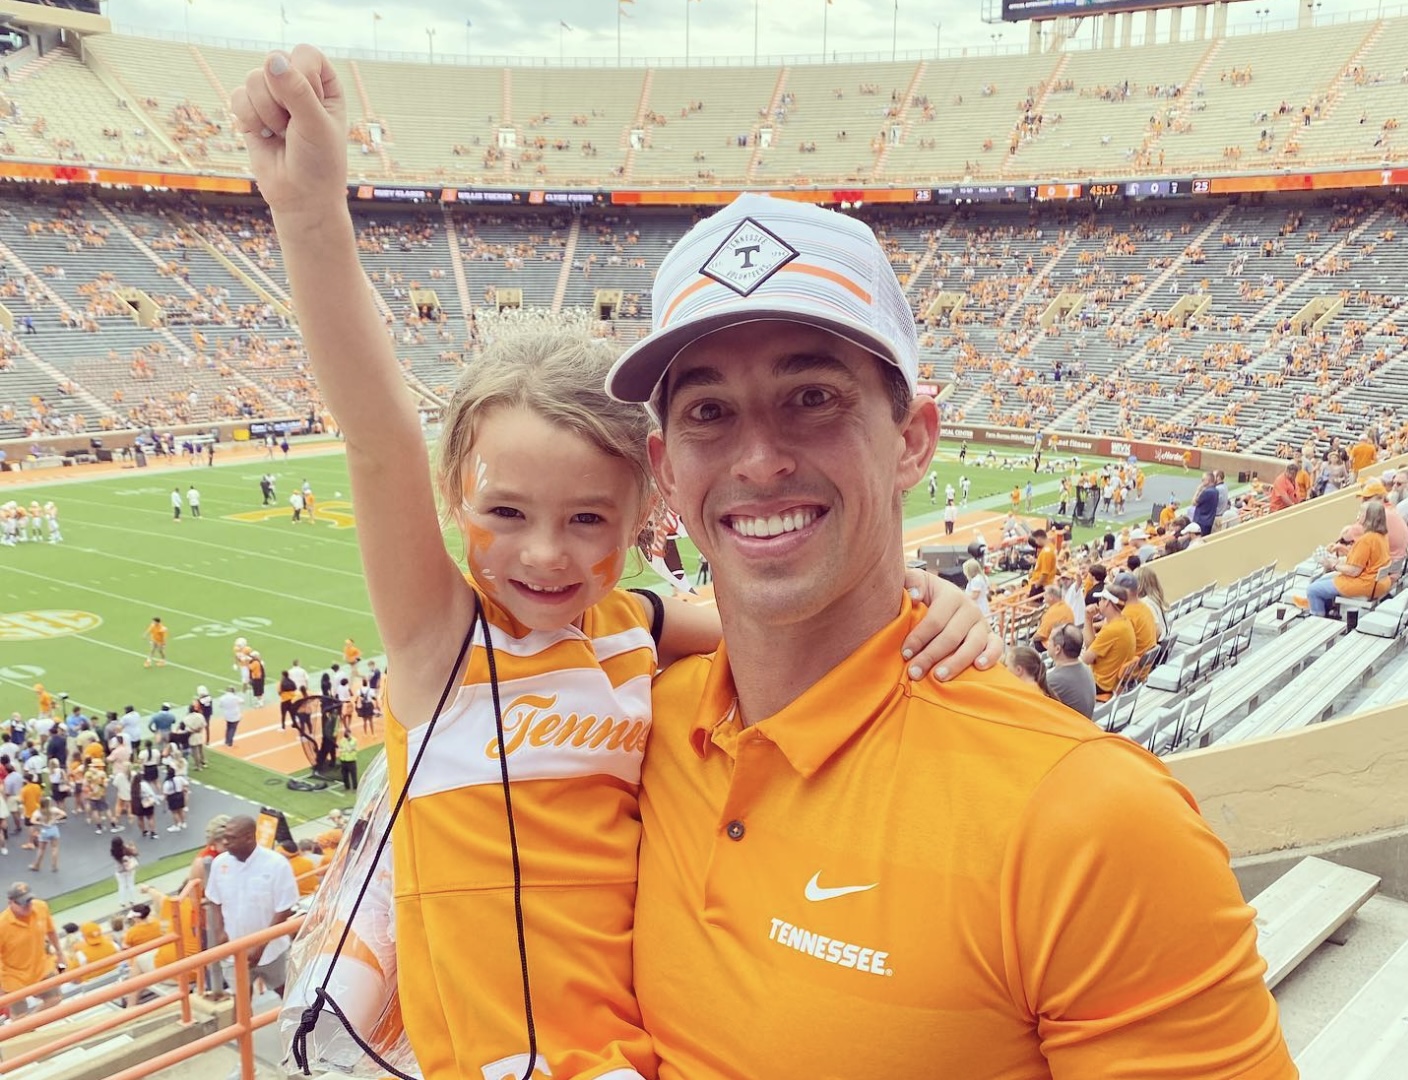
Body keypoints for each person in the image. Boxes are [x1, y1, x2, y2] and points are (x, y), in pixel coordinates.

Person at [239, 49, 998, 1080]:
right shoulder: (444, 640)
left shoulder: (633, 628)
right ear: (454, 495)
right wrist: (309, 214)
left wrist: (935, 605)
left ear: (652, 506)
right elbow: (376, 435)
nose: (545, 555)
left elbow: (807, 623)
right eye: (505, 511)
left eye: (588, 519)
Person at [613, 191, 1293, 1076]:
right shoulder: (625, 731)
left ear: (912, 440)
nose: (758, 459)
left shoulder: (1093, 823)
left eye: (812, 396)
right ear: (666, 468)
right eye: (708, 412)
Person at [206, 816, 299, 996]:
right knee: (241, 1004)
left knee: (286, 994)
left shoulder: (276, 864)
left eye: (231, 838)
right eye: (225, 836)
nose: (225, 842)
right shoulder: (220, 863)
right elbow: (214, 900)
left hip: (272, 951)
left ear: (248, 837)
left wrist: (261, 947)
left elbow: (284, 909)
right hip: (234, 953)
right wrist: (219, 931)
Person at [1307, 499, 1392, 617]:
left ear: (1367, 517)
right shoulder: (1382, 536)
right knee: (1321, 582)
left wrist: (1333, 565)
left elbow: (1354, 571)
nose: (1358, 516)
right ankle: (1329, 613)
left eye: (1361, 513)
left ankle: (1317, 620)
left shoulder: (1366, 540)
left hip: (1366, 584)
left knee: (1313, 590)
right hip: (1380, 583)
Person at [0, 882, 65, 1015]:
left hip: (40, 967)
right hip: (14, 976)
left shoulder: (41, 907)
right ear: (11, 903)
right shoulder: (2, 925)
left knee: (55, 998)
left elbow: (51, 931)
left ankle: (32, 1023)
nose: (28, 905)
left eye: (29, 901)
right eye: (23, 903)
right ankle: (24, 1027)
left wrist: (60, 953)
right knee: (19, 1017)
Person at [1082, 582, 1139, 699]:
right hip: (1113, 683)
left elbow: (1085, 660)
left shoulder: (1112, 630)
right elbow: (1092, 646)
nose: (1098, 602)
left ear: (1107, 602)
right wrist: (1088, 619)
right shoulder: (1123, 622)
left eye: (1101, 599)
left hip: (1101, 684)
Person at [1045, 623, 1098, 719]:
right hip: (1084, 726)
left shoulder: (1053, 680)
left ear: (1057, 649)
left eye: (1049, 640)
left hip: (1069, 731)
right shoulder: (1086, 669)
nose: (1047, 644)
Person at [1032, 583, 1073, 653]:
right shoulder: (1066, 606)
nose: (1044, 596)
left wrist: (1031, 639)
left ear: (1051, 597)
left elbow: (1042, 635)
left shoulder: (1053, 612)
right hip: (1067, 639)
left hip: (1054, 643)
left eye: (1045, 594)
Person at [27, 797, 64, 873]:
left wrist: (40, 823)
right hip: (53, 829)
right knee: (55, 848)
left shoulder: (38, 812)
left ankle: (36, 866)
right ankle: (54, 866)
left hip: (44, 831)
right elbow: (63, 814)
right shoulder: (53, 810)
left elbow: (32, 821)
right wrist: (55, 819)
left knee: (41, 849)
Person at [111, 836, 140, 907]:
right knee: (131, 885)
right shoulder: (126, 849)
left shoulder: (113, 851)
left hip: (120, 870)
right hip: (129, 869)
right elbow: (135, 853)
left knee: (122, 886)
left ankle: (122, 902)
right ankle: (133, 900)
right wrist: (132, 846)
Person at [162, 765, 190, 832]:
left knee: (174, 812)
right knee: (181, 810)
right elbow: (186, 784)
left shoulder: (167, 783)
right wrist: (183, 788)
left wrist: (164, 802)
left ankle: (177, 825)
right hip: (180, 795)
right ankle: (183, 823)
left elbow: (165, 793)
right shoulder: (179, 778)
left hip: (172, 797)